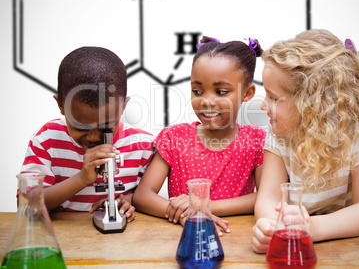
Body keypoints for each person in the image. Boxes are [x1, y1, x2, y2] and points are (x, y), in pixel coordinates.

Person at [252, 29, 359, 253]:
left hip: (348, 249)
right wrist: (271, 225)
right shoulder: (278, 134)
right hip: (293, 243)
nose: (264, 105)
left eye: (273, 97)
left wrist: (312, 228)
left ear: (312, 102)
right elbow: (268, 197)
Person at [133, 36, 267, 234]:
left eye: (221, 92)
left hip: (236, 237)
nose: (206, 101)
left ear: (247, 93)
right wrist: (188, 214)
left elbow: (265, 196)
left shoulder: (256, 141)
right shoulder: (174, 137)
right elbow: (143, 195)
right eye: (197, 91)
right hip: (183, 237)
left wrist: (201, 206)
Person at [20, 46, 154, 222]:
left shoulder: (143, 146)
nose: (92, 137)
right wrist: (82, 178)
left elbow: (144, 196)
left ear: (123, 107)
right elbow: (25, 206)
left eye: (106, 127)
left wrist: (125, 201)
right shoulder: (46, 140)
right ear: (60, 105)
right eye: (80, 127)